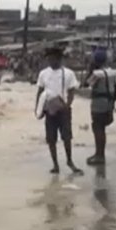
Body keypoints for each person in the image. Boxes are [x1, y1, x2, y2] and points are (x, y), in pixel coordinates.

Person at [35, 46, 83, 175]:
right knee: (51, 139)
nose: (51, 61)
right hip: (49, 110)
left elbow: (72, 91)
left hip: (63, 110)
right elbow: (39, 91)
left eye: (54, 58)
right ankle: (55, 164)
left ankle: (69, 160)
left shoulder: (68, 73)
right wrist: (37, 109)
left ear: (60, 59)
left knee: (67, 137)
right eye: (49, 59)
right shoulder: (43, 74)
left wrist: (67, 105)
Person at [83, 49, 116, 165]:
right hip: (109, 103)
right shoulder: (111, 72)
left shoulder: (97, 74)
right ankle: (99, 154)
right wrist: (113, 103)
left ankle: (99, 155)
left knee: (98, 128)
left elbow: (85, 84)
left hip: (98, 104)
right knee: (101, 128)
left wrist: (89, 69)